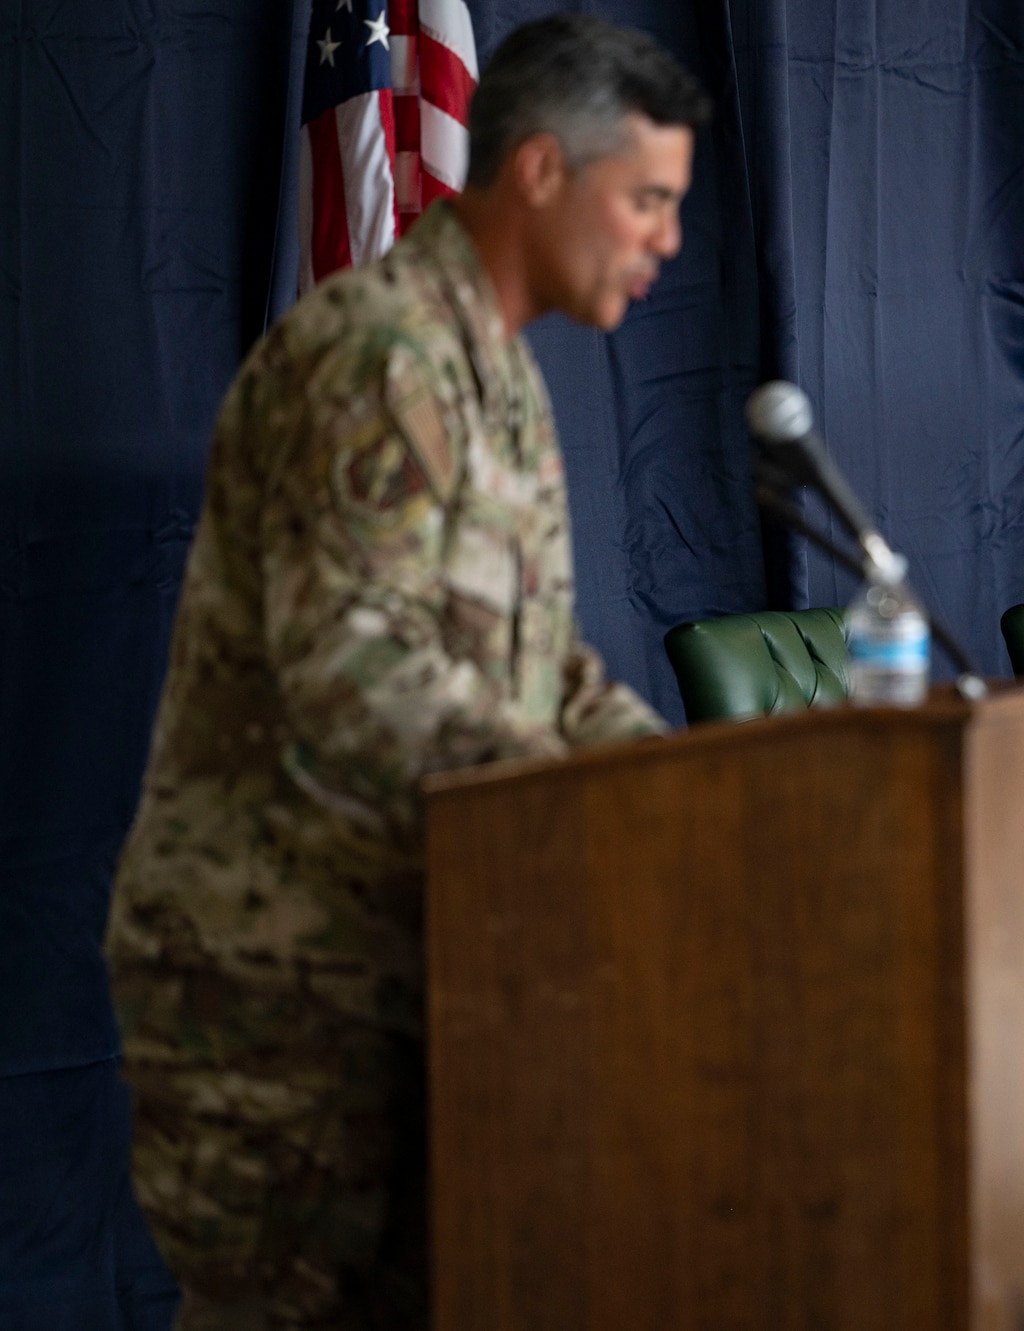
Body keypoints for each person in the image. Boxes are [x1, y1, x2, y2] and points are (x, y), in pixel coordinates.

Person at [104, 16, 708, 1328]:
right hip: (279, 985)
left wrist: (689, 790)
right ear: (542, 171)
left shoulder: (499, 376)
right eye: (647, 200)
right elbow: (355, 668)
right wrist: (591, 803)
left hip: (426, 964)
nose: (667, 238)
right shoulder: (378, 353)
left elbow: (544, 668)